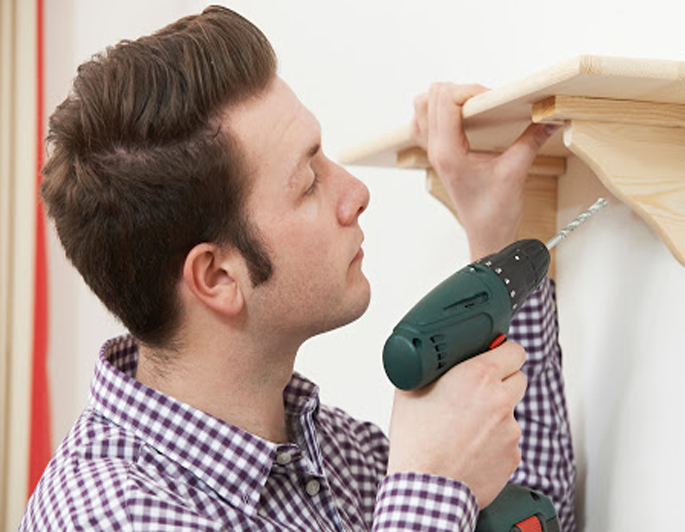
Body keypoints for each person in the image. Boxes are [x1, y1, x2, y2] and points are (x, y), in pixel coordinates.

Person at [19, 6, 575, 531]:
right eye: (308, 182)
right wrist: (431, 484)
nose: (356, 193)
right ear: (217, 277)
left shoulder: (337, 457)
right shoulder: (108, 514)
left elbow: (532, 511)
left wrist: (494, 230)